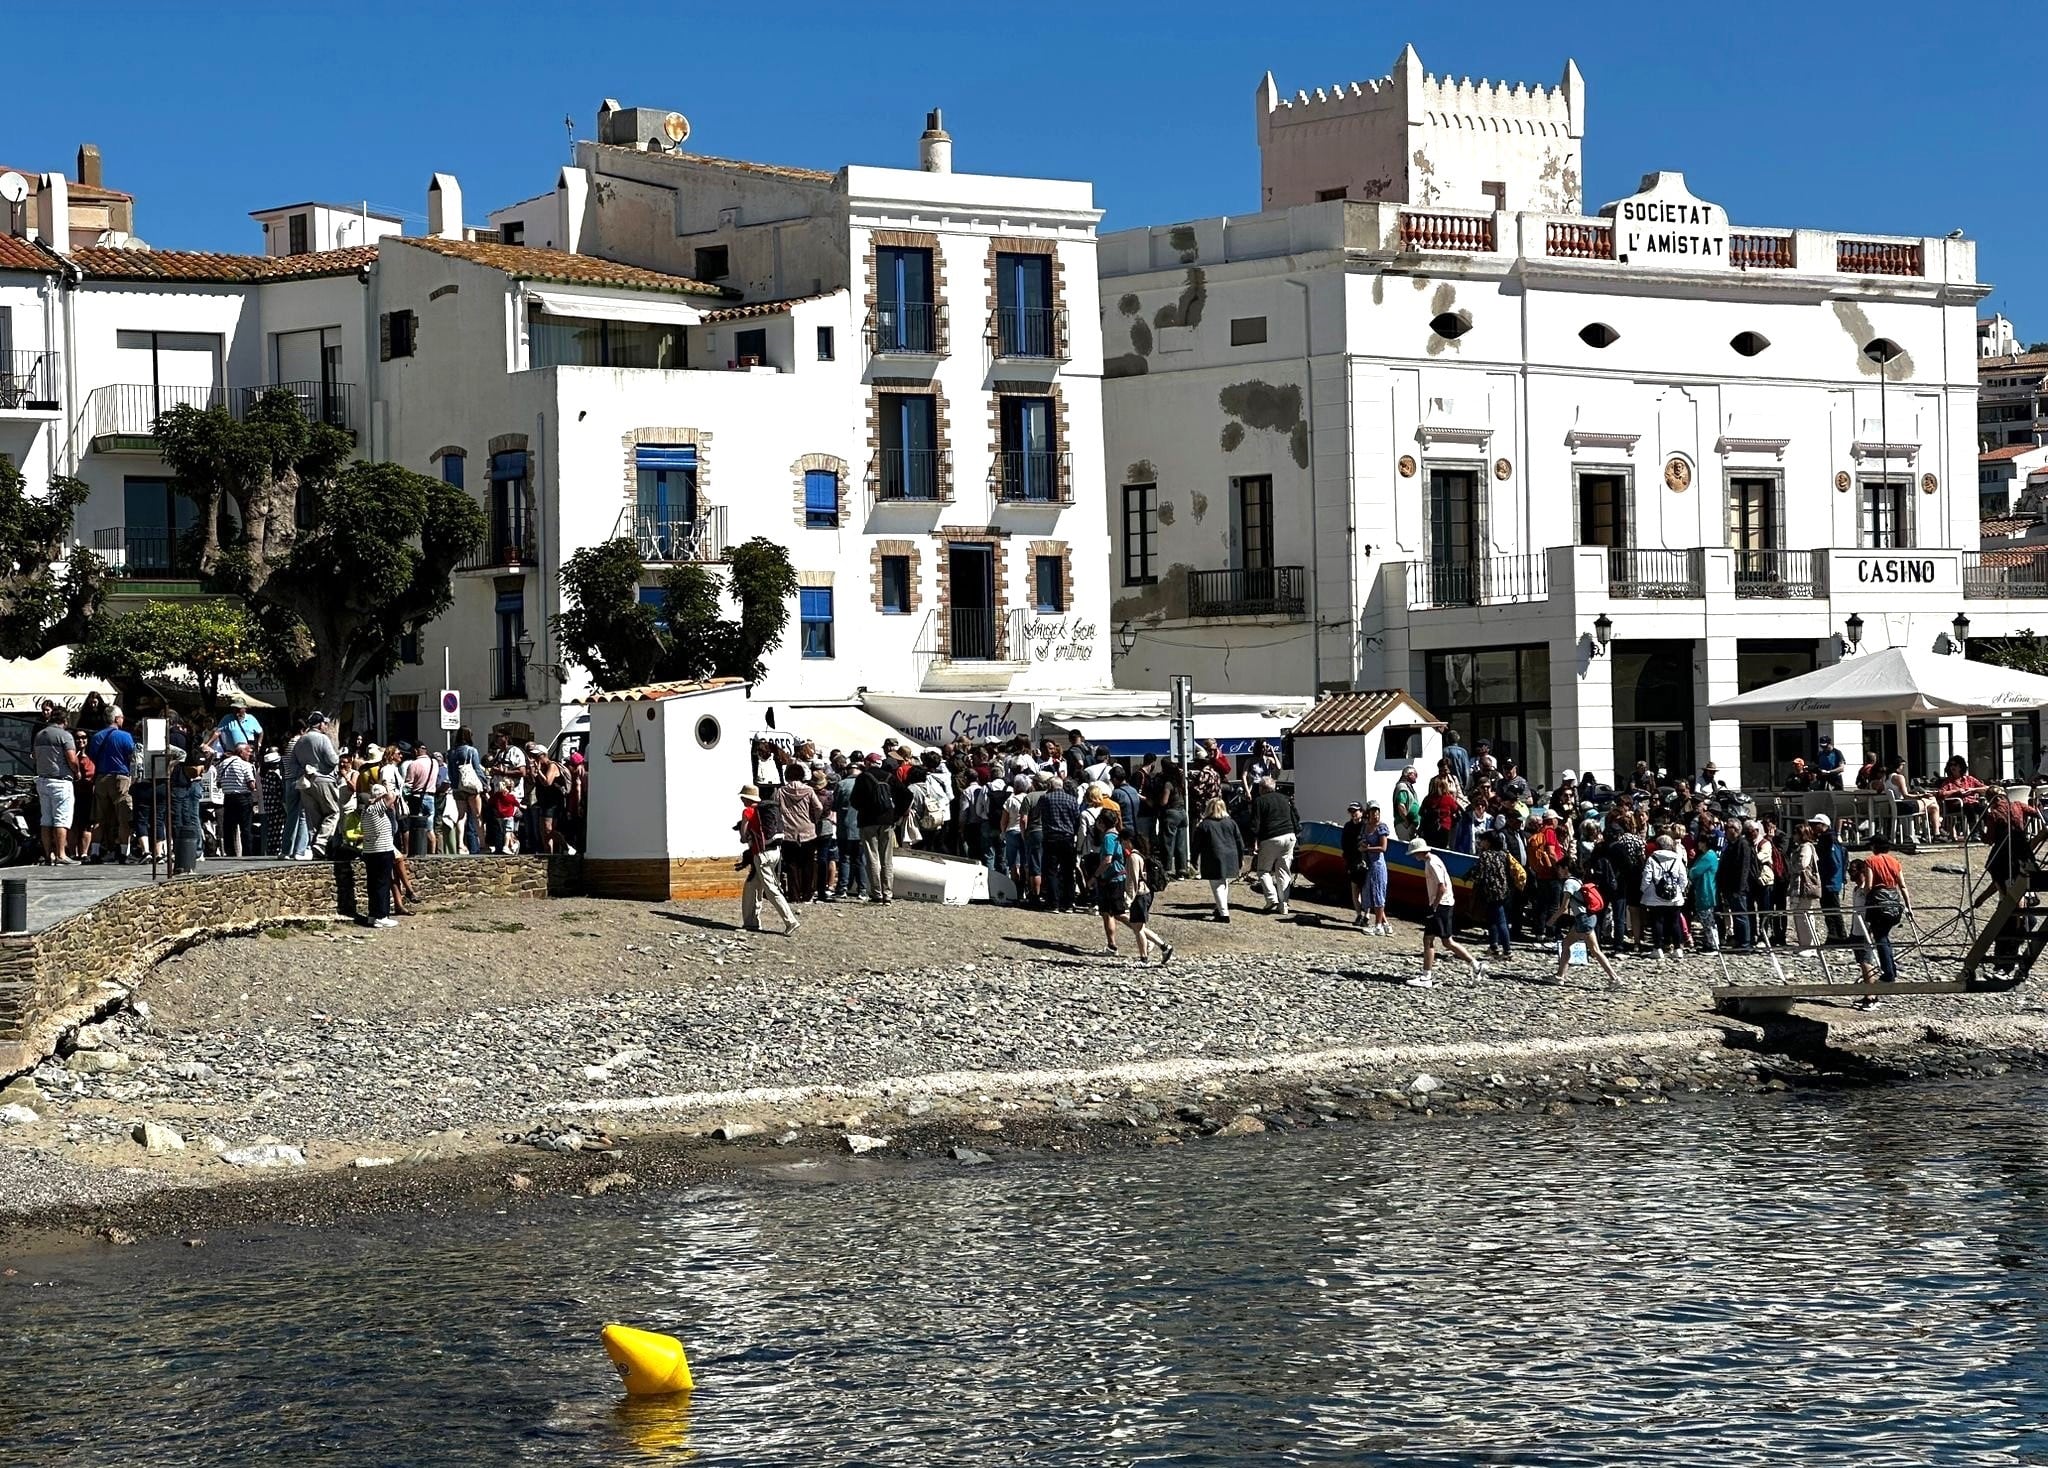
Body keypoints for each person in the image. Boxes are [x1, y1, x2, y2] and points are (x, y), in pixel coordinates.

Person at [1411, 836, 1479, 988]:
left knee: (1433, 939)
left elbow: (1441, 886)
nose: (1414, 856)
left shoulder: (1432, 864)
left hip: (1441, 905)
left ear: (1420, 852)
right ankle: (1474, 964)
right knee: (1444, 940)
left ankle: (1426, 976)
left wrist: (1434, 905)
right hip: (1445, 903)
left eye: (1414, 853)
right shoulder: (1433, 860)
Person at [736, 784, 799, 934]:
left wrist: (745, 835)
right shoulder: (767, 809)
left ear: (746, 798)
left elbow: (744, 837)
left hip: (761, 854)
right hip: (775, 851)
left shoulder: (748, 811)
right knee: (752, 885)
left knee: (771, 888)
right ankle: (751, 922)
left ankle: (791, 921)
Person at [1855, 834, 1910, 1002]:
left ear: (1874, 846)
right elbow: (1902, 885)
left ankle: (1889, 973)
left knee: (1880, 937)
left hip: (1878, 903)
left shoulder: (1871, 861)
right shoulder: (1895, 861)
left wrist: (1862, 894)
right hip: (1894, 902)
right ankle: (1890, 969)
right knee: (1884, 936)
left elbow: (1869, 885)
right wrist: (1908, 906)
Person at [1552, 863, 1622, 988]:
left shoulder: (1568, 883)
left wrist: (1551, 920)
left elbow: (1563, 907)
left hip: (1583, 920)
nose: (1558, 871)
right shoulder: (1577, 881)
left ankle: (1614, 978)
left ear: (1565, 868)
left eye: (1560, 868)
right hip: (1587, 917)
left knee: (1595, 950)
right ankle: (1560, 976)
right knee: (1566, 943)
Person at [86, 706, 137, 864]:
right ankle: (123, 853)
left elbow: (92, 755)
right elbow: (132, 755)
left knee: (99, 818)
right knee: (124, 818)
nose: (123, 719)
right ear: (116, 719)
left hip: (101, 777)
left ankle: (94, 853)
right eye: (121, 717)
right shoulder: (125, 736)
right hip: (120, 778)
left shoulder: (96, 737)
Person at [31, 703, 78, 865]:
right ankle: (61, 854)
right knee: (61, 819)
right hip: (60, 781)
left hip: (42, 780)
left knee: (46, 819)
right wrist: (77, 772)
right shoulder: (64, 736)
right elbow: (72, 759)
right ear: (65, 719)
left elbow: (35, 757)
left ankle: (48, 854)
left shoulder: (40, 735)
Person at [1247, 774, 1299, 917]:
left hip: (1270, 837)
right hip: (1289, 835)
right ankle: (1284, 904)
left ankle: (1272, 899)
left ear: (1262, 788)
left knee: (1263, 870)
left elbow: (1254, 824)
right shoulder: (1286, 799)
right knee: (1283, 871)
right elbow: (1296, 817)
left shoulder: (1259, 801)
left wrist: (1252, 843)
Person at [852, 754, 900, 904]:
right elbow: (906, 795)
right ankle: (888, 894)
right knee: (887, 859)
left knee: (872, 857)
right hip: (887, 820)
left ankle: (877, 893)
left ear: (868, 763)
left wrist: (864, 809)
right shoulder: (889, 777)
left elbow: (854, 800)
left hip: (868, 821)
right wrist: (895, 814)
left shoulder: (862, 778)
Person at [1036, 774, 1084, 913]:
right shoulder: (1072, 800)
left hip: (1050, 837)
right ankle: (1068, 903)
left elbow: (1037, 814)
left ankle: (1053, 903)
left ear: (1050, 786)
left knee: (1051, 872)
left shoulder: (1045, 798)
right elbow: (1077, 820)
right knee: (1068, 871)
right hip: (1067, 838)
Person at [1194, 796, 1243, 922]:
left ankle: (1223, 913)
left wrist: (1194, 860)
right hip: (1231, 856)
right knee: (1224, 882)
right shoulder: (1231, 822)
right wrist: (1240, 858)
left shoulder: (1204, 825)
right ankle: (1221, 908)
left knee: (1217, 885)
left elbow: (1196, 845)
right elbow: (1239, 842)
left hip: (1214, 857)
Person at [358, 782, 400, 928]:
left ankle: (373, 914)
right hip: (382, 851)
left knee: (373, 884)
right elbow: (391, 796)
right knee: (382, 883)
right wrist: (386, 786)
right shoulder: (376, 809)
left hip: (370, 851)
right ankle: (381, 915)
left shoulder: (366, 810)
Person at [1639, 835, 1689, 960]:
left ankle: (1658, 948)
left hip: (1655, 897)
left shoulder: (1652, 859)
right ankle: (1678, 948)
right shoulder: (1677, 858)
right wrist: (1680, 890)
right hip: (1674, 896)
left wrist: (1643, 890)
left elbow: (1647, 877)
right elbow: (1683, 877)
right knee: (1675, 922)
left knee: (1657, 922)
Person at [1472, 829, 1516, 960]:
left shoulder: (1486, 856)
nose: (1481, 843)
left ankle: (1507, 950)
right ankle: (1493, 946)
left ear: (1488, 842)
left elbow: (1479, 874)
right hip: (1504, 890)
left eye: (1483, 840)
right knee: (1493, 919)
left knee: (1500, 921)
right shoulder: (1503, 854)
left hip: (1491, 891)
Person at [216, 740, 259, 857]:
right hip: (243, 797)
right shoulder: (245, 765)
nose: (249, 754)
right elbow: (251, 785)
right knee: (246, 827)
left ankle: (230, 852)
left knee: (229, 827)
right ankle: (247, 853)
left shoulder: (222, 764)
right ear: (241, 752)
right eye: (248, 752)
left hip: (228, 798)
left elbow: (218, 783)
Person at [1358, 800, 1391, 935]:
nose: (1375, 815)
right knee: (1370, 893)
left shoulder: (1381, 827)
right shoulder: (1366, 827)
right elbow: (1361, 841)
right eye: (1373, 812)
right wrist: (1362, 846)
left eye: (1377, 812)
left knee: (1379, 893)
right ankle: (1384, 923)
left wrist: (1369, 848)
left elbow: (1383, 848)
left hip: (1378, 864)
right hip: (1369, 863)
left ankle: (1378, 925)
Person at [1789, 821, 1822, 956]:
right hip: (1799, 884)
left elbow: (1802, 864)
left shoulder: (1806, 848)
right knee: (1800, 914)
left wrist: (1792, 866)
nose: (1793, 836)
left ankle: (1809, 945)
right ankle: (1804, 943)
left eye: (1795, 833)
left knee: (1804, 914)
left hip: (1804, 884)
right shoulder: (1802, 847)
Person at [1687, 833, 1721, 953]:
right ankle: (1709, 942)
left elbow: (1695, 871)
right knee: (1706, 920)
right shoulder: (1705, 855)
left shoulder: (1709, 856)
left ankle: (1713, 944)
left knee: (1708, 921)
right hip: (1702, 890)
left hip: (1707, 891)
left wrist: (1690, 872)